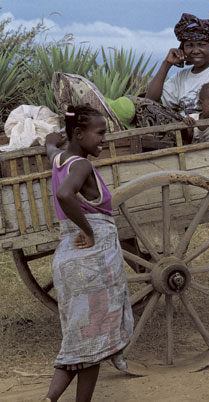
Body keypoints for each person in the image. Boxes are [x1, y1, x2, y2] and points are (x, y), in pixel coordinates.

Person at [43, 104, 134, 402]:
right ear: (79, 134)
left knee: (76, 342)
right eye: (100, 133)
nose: (104, 139)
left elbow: (50, 146)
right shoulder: (81, 165)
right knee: (93, 345)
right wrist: (88, 230)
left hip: (67, 262)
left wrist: (53, 139)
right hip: (91, 264)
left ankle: (49, 399)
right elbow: (64, 194)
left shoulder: (59, 159)